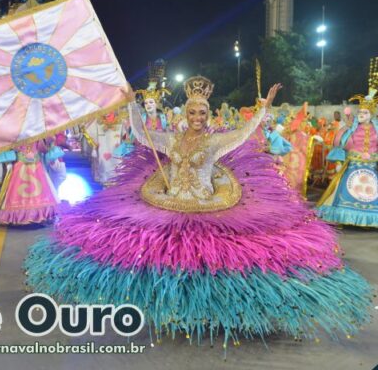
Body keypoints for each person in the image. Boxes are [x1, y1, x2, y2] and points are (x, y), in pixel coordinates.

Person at [24, 76, 371, 349]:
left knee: (210, 263)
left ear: (208, 114)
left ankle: (208, 310)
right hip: (166, 207)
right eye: (192, 112)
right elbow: (143, 133)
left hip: (210, 207)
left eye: (202, 112)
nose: (197, 117)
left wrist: (264, 108)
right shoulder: (170, 142)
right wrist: (131, 103)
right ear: (186, 113)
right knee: (165, 261)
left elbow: (244, 132)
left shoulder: (216, 143)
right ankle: (167, 306)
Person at [317, 87, 378, 227]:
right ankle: (345, 218)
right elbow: (341, 143)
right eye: (360, 111)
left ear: (371, 114)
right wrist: (346, 128)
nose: (361, 114)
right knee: (348, 191)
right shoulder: (353, 127)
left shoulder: (377, 128)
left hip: (372, 167)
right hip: (353, 165)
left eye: (365, 112)